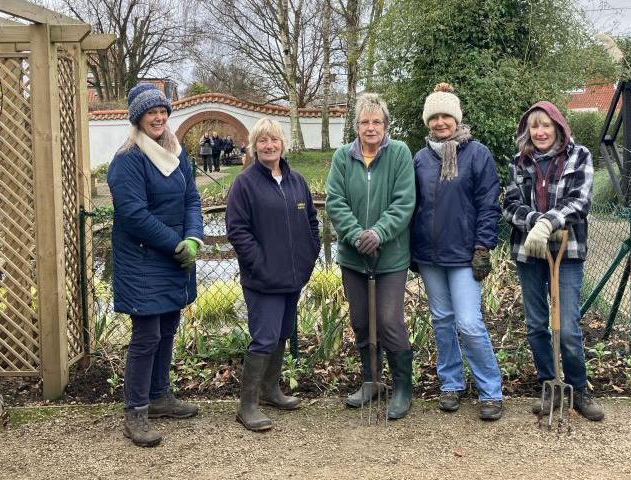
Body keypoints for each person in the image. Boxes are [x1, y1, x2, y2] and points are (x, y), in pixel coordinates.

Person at [107, 82, 204, 447]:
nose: (159, 117)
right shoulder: (128, 160)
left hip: (177, 258)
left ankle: (160, 396)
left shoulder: (177, 154)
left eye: (163, 111)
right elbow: (133, 215)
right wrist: (175, 242)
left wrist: (193, 237)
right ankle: (136, 412)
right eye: (152, 112)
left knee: (167, 329)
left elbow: (192, 199)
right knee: (146, 336)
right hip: (144, 262)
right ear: (139, 118)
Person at [502, 101, 604, 422]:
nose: (540, 132)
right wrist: (535, 222)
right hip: (529, 252)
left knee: (569, 328)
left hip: (567, 251)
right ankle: (550, 385)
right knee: (536, 325)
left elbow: (581, 201)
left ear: (558, 126)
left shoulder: (580, 156)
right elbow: (509, 204)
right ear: (527, 131)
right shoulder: (519, 162)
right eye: (534, 126)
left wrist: (549, 223)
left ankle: (578, 387)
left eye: (546, 125)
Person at [410, 83, 503, 420]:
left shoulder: (477, 154)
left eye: (445, 115)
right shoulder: (420, 158)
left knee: (468, 322)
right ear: (427, 121)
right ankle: (451, 383)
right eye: (433, 116)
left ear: (456, 118)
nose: (440, 121)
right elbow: (413, 205)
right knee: (442, 322)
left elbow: (488, 204)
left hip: (465, 255)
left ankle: (490, 390)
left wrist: (483, 246)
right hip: (430, 256)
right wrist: (411, 250)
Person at [226, 118, 321, 432]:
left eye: (274, 140)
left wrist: (308, 258)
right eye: (262, 141)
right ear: (254, 146)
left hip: (293, 278)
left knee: (281, 334)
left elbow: (311, 222)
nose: (269, 146)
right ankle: (247, 406)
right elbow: (238, 231)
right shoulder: (245, 183)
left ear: (283, 143)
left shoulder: (297, 182)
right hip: (262, 279)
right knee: (264, 337)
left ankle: (270, 391)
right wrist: (260, 264)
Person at [326, 92, 416, 420]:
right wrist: (356, 235)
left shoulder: (400, 154)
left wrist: (378, 232)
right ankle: (371, 380)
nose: (370, 127)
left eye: (376, 121)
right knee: (361, 321)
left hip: (390, 256)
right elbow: (335, 201)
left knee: (389, 321)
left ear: (386, 125)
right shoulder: (342, 158)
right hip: (354, 257)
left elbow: (405, 201)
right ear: (356, 126)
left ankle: (403, 387)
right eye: (364, 122)